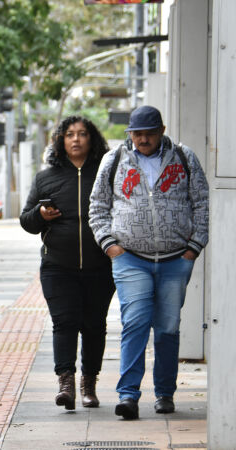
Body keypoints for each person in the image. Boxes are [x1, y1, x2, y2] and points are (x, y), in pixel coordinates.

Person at [89, 105, 209, 420]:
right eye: (137, 133)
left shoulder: (184, 157)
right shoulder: (114, 159)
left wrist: (194, 247)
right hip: (130, 259)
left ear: (162, 131)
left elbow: (201, 202)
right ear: (130, 133)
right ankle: (128, 395)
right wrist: (110, 244)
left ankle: (165, 394)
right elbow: (98, 205)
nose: (143, 139)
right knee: (135, 324)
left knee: (168, 328)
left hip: (175, 260)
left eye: (149, 133)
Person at [20, 116, 115, 411]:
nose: (76, 139)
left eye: (82, 134)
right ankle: (66, 383)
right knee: (64, 322)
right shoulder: (46, 177)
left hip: (100, 265)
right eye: (69, 134)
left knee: (94, 325)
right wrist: (40, 214)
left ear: (92, 139)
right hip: (58, 265)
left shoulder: (105, 174)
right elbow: (26, 221)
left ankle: (89, 384)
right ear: (61, 140)